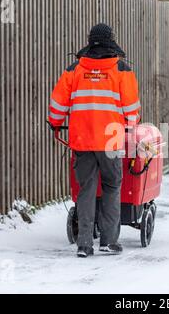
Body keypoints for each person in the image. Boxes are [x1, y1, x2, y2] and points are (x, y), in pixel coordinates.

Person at [48, 24, 141, 258]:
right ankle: (109, 241)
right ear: (111, 41)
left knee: (87, 189)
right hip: (111, 141)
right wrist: (129, 125)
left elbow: (58, 104)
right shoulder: (122, 70)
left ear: (90, 42)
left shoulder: (74, 70)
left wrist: (56, 122)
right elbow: (131, 108)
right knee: (111, 186)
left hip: (82, 139)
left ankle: (84, 244)